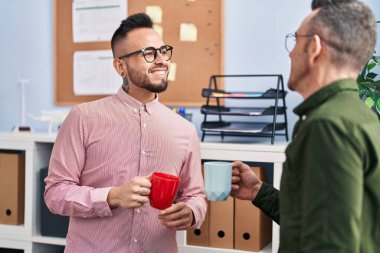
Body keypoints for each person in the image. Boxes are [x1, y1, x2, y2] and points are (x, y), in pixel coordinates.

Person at [44, 13, 206, 253]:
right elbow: (55, 194)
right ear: (121, 66)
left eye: (163, 51)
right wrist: (113, 196)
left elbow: (195, 196)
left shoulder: (185, 130)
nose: (161, 60)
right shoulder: (83, 118)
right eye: (149, 53)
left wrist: (192, 212)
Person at [231, 0, 380, 252]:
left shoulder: (328, 126)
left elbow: (329, 245)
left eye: (296, 39)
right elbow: (314, 219)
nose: (290, 52)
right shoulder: (360, 116)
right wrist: (258, 191)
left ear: (314, 47)